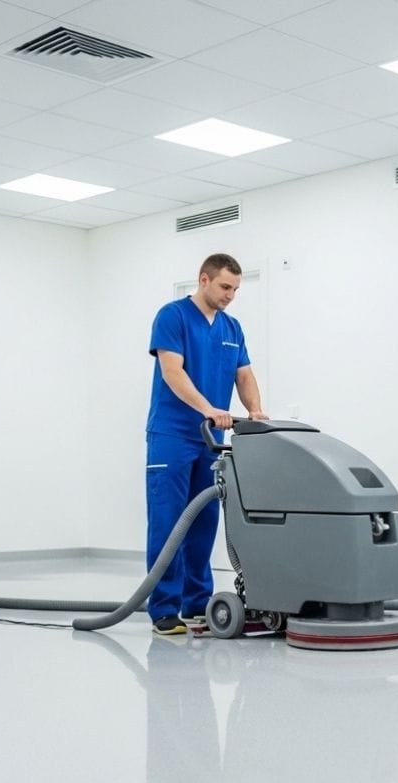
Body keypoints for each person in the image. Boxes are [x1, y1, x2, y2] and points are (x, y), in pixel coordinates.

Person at [146, 253, 268, 635]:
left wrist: (256, 409)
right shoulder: (173, 316)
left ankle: (197, 602)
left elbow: (243, 374)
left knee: (204, 522)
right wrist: (208, 408)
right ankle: (163, 609)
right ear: (203, 280)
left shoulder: (232, 328)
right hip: (172, 435)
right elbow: (172, 371)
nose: (231, 295)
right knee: (168, 522)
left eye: (235, 289)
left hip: (211, 440)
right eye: (225, 287)